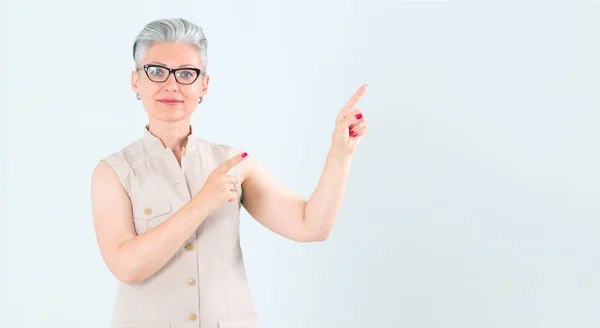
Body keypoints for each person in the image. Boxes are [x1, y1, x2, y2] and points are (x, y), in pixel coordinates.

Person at [90, 18, 369, 328]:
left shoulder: (234, 164)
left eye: (186, 74)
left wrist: (340, 153)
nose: (171, 84)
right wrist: (203, 203)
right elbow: (126, 266)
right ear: (136, 81)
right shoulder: (113, 172)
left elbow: (311, 225)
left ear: (203, 85)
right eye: (156, 71)